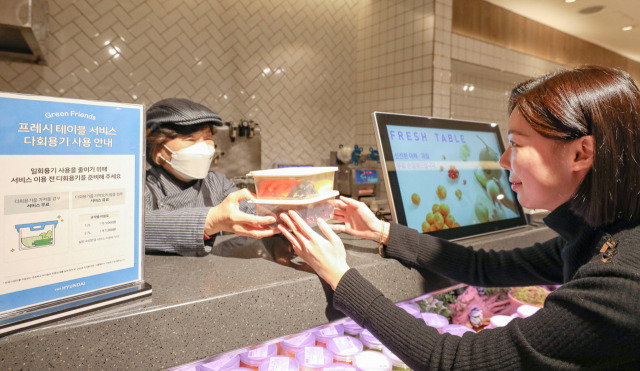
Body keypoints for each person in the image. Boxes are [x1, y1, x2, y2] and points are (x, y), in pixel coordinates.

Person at [278, 66, 640, 369]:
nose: (501, 161)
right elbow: (486, 267)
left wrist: (341, 277)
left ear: (581, 153)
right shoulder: (601, 234)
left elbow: (454, 361)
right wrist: (384, 231)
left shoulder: (620, 281)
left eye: (516, 144)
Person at [145, 98, 277, 255]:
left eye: (207, 138)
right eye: (190, 139)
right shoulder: (143, 187)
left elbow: (249, 211)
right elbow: (134, 228)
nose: (203, 148)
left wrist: (279, 211)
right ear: (158, 150)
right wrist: (211, 220)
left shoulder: (215, 182)